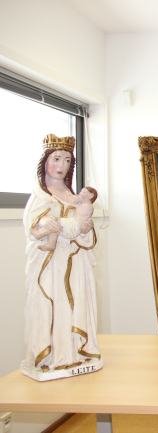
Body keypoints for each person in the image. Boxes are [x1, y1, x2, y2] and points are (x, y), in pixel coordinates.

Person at [22, 133, 101, 380]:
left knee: (75, 303)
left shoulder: (73, 195)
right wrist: (58, 226)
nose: (62, 166)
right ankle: (54, 356)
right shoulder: (41, 196)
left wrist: (82, 227)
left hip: (75, 262)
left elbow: (85, 228)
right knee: (53, 306)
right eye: (56, 159)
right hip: (50, 266)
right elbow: (33, 229)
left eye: (67, 160)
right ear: (45, 161)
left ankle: (74, 353)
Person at [39, 186, 97, 252]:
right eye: (81, 191)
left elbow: (71, 202)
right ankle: (47, 240)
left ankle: (51, 244)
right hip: (74, 224)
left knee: (55, 223)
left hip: (75, 226)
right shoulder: (84, 204)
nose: (80, 193)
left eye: (84, 192)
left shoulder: (86, 205)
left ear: (91, 195)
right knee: (54, 222)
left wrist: (64, 196)